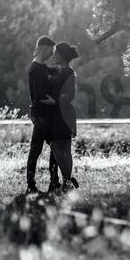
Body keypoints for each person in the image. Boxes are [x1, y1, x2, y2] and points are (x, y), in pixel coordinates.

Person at [26, 36, 61, 193]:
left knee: (55, 148)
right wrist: (56, 103)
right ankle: (31, 184)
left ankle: (54, 182)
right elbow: (40, 96)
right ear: (45, 48)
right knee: (36, 150)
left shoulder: (41, 67)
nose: (52, 53)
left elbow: (52, 71)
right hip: (41, 116)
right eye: (51, 50)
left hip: (44, 115)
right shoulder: (36, 69)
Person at [48, 41, 80, 191]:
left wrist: (54, 101)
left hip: (63, 114)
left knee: (59, 147)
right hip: (57, 114)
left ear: (61, 56)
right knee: (60, 148)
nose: (53, 56)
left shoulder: (69, 72)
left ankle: (67, 180)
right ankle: (62, 182)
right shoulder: (59, 71)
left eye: (55, 54)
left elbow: (70, 95)